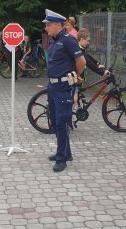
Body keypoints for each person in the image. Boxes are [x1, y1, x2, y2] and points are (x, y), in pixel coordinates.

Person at [43, 9, 86, 172]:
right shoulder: (54, 40)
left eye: (48, 25)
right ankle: (66, 153)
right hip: (53, 86)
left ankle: (61, 158)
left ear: (58, 25)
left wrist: (74, 75)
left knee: (61, 122)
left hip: (63, 87)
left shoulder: (68, 40)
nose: (46, 28)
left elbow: (81, 61)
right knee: (54, 121)